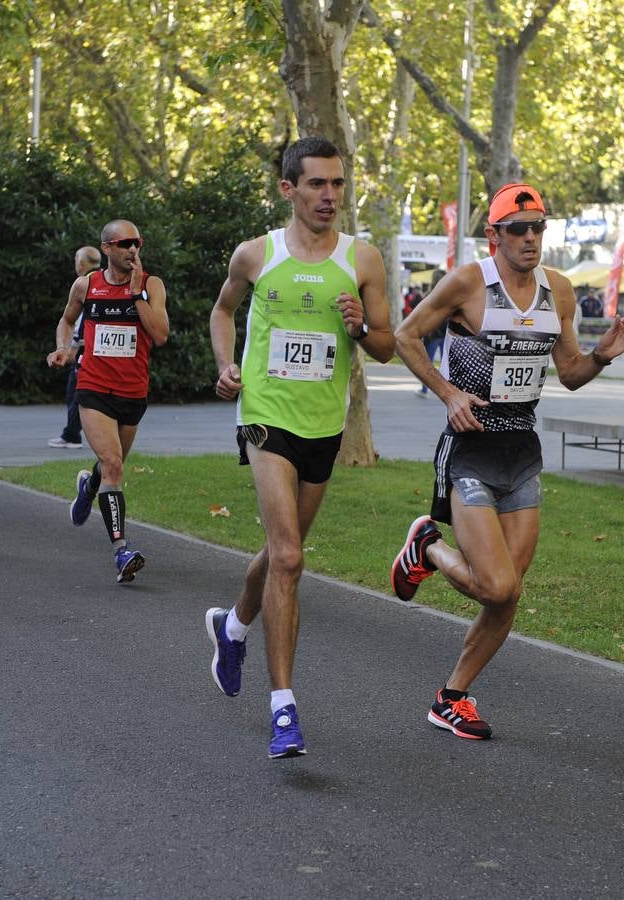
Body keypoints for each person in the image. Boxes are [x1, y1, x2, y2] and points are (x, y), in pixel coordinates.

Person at [389, 182, 624, 740]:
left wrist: (602, 354)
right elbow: (406, 336)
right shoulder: (468, 282)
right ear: (494, 235)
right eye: (518, 229)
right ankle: (425, 545)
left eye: (538, 227)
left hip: (522, 450)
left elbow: (570, 372)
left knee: (509, 593)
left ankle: (451, 697)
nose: (531, 239)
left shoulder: (560, 290)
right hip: (472, 447)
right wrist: (449, 393)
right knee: (496, 586)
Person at [205, 136, 394, 758]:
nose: (329, 196)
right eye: (317, 184)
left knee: (283, 552)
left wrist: (359, 327)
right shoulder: (256, 255)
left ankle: (231, 628)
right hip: (265, 416)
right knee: (288, 556)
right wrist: (227, 365)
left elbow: (387, 346)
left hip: (324, 425)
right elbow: (222, 310)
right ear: (289, 189)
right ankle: (284, 710)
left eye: (338, 184)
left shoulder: (363, 260)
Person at [47, 225, 168, 582]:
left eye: (137, 243)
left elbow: (160, 334)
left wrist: (136, 295)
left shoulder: (151, 285)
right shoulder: (86, 285)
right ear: (107, 248)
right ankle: (122, 552)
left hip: (132, 392)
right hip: (93, 386)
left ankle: (88, 487)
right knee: (114, 464)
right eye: (124, 244)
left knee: (108, 469)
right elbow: (68, 320)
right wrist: (65, 348)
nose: (132, 249)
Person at [47, 245, 101, 449]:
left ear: (81, 263)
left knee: (76, 393)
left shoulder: (86, 284)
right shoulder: (103, 279)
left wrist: (73, 346)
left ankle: (72, 435)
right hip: (88, 347)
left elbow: (84, 320)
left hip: (83, 350)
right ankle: (72, 433)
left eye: (76, 259)